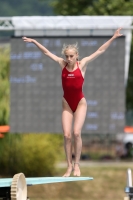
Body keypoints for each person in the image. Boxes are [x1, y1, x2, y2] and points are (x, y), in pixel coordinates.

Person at [22, 28, 123, 177]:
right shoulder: (62, 64)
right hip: (66, 104)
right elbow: (46, 53)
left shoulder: (82, 64)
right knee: (67, 135)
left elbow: (100, 50)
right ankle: (69, 166)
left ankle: (77, 165)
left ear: (76, 56)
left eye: (71, 56)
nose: (68, 59)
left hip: (80, 103)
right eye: (67, 56)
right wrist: (35, 42)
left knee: (76, 133)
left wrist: (113, 37)